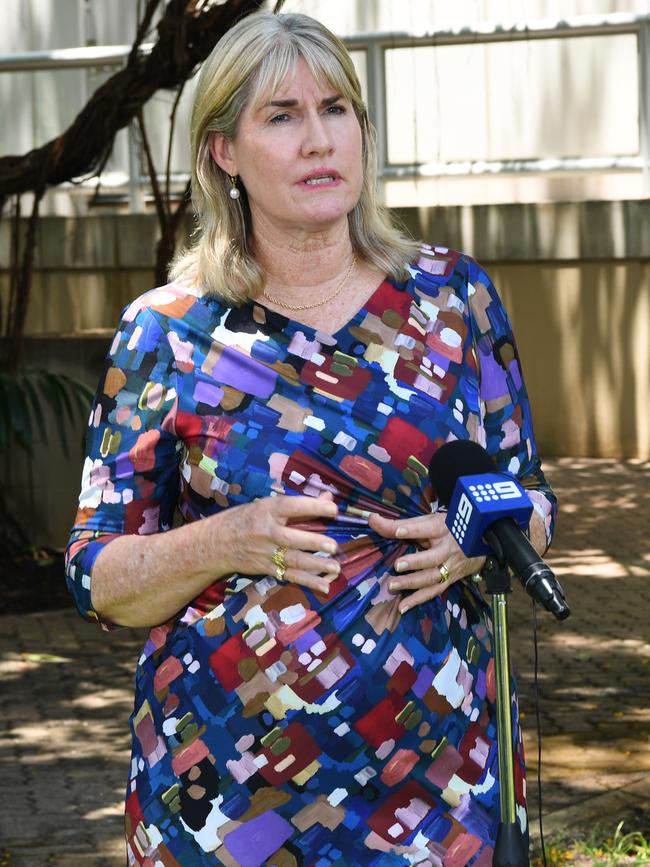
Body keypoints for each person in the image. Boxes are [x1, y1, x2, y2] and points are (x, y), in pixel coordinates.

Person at [66, 11, 556, 866]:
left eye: (336, 110)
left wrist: (477, 538)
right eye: (281, 116)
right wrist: (225, 537)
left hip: (436, 792)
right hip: (226, 806)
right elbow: (99, 576)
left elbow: (531, 499)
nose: (318, 140)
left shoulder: (453, 300)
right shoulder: (169, 333)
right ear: (224, 151)